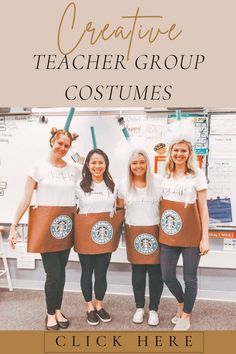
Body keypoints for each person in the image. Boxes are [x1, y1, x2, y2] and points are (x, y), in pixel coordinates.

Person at [8, 127, 79, 330]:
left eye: (67, 145)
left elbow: (79, 196)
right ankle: (50, 314)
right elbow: (26, 198)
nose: (63, 148)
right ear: (52, 142)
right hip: (46, 227)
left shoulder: (73, 169)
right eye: (59, 143)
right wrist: (14, 226)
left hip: (65, 227)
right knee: (53, 273)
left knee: (61, 272)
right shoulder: (38, 167)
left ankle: (57, 309)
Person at [159, 121, 209, 331]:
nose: (179, 154)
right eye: (176, 150)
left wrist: (205, 237)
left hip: (191, 235)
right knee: (167, 275)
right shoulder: (165, 175)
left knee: (190, 277)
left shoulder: (197, 175)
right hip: (169, 234)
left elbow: (204, 209)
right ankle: (181, 303)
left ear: (189, 153)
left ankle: (186, 315)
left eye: (183, 150)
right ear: (170, 152)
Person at [74, 149, 124, 326]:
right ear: (87, 164)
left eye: (100, 162)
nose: (97, 166)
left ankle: (99, 305)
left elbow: (120, 206)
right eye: (93, 162)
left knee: (101, 273)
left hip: (104, 236)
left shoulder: (113, 184)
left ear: (106, 164)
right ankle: (89, 307)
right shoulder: (79, 185)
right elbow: (72, 210)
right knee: (87, 272)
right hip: (85, 237)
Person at [117, 149, 163, 326]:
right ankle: (139, 308)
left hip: (155, 231)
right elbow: (119, 207)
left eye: (142, 162)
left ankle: (153, 309)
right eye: (135, 163)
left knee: (155, 272)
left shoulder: (159, 181)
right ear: (130, 165)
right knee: (137, 272)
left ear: (147, 163)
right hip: (133, 230)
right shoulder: (122, 184)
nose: (138, 166)